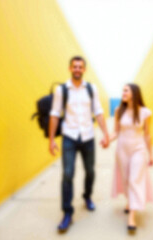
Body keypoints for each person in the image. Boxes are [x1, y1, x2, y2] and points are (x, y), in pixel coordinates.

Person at [48, 56, 110, 233]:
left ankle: (87, 197)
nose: (77, 69)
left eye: (80, 67)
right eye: (74, 66)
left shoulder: (91, 89)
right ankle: (67, 212)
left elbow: (98, 111)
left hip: (88, 137)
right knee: (67, 174)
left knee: (90, 171)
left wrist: (106, 134)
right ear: (70, 68)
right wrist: (52, 140)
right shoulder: (62, 90)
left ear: (84, 70)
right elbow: (54, 114)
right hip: (69, 136)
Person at [109, 83, 153, 234]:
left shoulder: (145, 112)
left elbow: (147, 134)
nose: (123, 92)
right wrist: (107, 139)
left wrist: (151, 154)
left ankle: (132, 218)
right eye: (122, 90)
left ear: (134, 93)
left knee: (135, 179)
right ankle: (130, 202)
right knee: (126, 179)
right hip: (122, 149)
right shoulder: (118, 111)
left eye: (126, 90)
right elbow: (116, 132)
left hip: (138, 150)